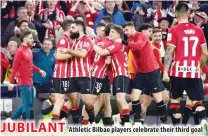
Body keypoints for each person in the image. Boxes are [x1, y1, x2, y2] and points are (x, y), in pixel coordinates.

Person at [163, 3, 208, 125]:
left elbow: (169, 52)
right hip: (193, 71)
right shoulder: (198, 30)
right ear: (189, 13)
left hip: (178, 71)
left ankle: (177, 130)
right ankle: (204, 125)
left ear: (176, 15)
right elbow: (205, 53)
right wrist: (199, 67)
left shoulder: (174, 29)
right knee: (197, 102)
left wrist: (165, 71)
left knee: (175, 101)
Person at [123, 22, 167, 124]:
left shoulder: (142, 36)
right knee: (134, 97)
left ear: (133, 28)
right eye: (124, 31)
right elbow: (124, 50)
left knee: (158, 98)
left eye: (127, 30)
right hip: (141, 72)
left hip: (152, 71)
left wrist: (123, 42)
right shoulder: (130, 39)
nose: (125, 33)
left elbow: (138, 46)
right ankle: (138, 122)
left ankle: (164, 123)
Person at [93, 25, 131, 126]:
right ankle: (121, 119)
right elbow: (109, 60)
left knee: (120, 99)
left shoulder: (117, 45)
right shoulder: (119, 45)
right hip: (118, 75)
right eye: (110, 32)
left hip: (121, 74)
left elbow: (101, 52)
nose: (110, 33)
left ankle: (126, 122)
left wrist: (92, 44)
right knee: (118, 99)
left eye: (113, 32)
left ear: (118, 34)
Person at [60, 20, 96, 124]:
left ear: (80, 28)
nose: (70, 30)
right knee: (74, 101)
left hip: (83, 74)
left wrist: (68, 50)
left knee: (86, 101)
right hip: (71, 74)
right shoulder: (72, 41)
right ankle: (75, 125)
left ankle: (92, 122)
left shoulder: (87, 40)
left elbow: (82, 54)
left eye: (73, 28)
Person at [8, 30, 46, 120]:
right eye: (31, 38)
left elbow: (29, 64)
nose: (32, 40)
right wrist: (11, 83)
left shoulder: (28, 49)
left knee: (29, 103)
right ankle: (26, 126)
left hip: (30, 80)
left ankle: (11, 119)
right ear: (25, 39)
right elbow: (14, 67)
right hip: (23, 81)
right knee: (27, 104)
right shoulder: (20, 51)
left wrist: (39, 70)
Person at [82, 23, 113, 125]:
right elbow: (88, 57)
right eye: (102, 30)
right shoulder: (96, 43)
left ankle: (107, 125)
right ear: (97, 31)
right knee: (92, 98)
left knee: (106, 99)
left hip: (105, 75)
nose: (105, 32)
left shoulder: (102, 43)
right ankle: (85, 123)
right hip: (96, 73)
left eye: (106, 31)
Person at [52, 20, 73, 121]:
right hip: (61, 73)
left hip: (67, 74)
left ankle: (59, 119)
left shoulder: (68, 39)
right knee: (59, 100)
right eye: (73, 27)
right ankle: (54, 125)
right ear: (69, 28)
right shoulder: (63, 40)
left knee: (74, 98)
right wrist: (74, 54)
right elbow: (59, 56)